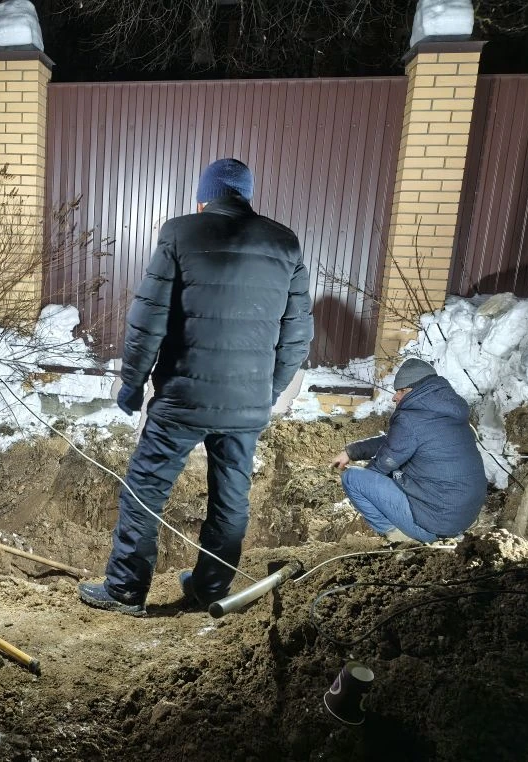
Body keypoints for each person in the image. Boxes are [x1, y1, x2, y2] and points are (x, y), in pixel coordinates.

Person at [78, 158, 314, 616]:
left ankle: (126, 590)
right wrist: (266, 392)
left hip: (182, 398)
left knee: (146, 488)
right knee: (231, 499)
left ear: (204, 198)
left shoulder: (180, 233)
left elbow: (148, 318)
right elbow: (298, 335)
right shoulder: (285, 242)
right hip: (246, 404)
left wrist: (133, 384)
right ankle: (210, 588)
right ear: (246, 196)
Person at [330, 358, 487, 543]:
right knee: (397, 471)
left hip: (435, 526)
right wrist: (352, 452)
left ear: (415, 390)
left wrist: (368, 488)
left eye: (401, 391)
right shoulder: (448, 413)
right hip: (461, 519)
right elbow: (394, 442)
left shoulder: (410, 419)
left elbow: (380, 467)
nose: (394, 397)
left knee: (353, 478)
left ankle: (398, 537)